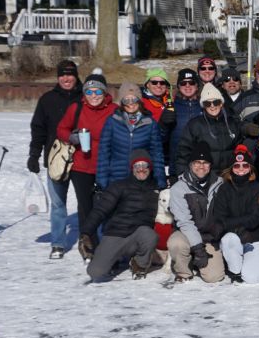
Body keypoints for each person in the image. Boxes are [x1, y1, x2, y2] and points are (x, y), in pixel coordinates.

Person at [28, 59, 83, 258]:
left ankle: (88, 241)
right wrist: (34, 155)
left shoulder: (86, 97)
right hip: (56, 160)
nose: (66, 78)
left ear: (76, 76)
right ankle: (58, 243)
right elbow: (38, 130)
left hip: (81, 159)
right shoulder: (47, 99)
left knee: (86, 203)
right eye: (62, 75)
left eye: (70, 74)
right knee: (58, 203)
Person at [56, 73, 117, 253]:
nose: (93, 95)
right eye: (89, 91)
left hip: (106, 166)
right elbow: (61, 129)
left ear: (104, 92)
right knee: (85, 207)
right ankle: (89, 243)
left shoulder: (114, 110)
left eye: (98, 90)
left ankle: (110, 244)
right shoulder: (76, 108)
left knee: (109, 205)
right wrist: (71, 137)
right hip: (81, 166)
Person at [80, 149, 161, 281]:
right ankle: (114, 257)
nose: (141, 169)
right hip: (116, 233)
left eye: (144, 165)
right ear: (132, 168)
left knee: (150, 235)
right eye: (137, 166)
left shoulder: (156, 188)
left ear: (150, 168)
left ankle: (138, 263)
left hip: (139, 235)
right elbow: (100, 210)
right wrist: (86, 232)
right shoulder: (119, 186)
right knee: (95, 272)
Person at [167, 142, 226, 284]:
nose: (201, 166)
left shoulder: (220, 184)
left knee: (214, 277)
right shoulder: (179, 188)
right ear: (190, 164)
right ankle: (184, 271)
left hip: (209, 237)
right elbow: (184, 222)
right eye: (197, 162)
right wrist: (198, 248)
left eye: (205, 162)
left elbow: (223, 215)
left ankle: (195, 260)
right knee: (176, 243)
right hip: (186, 233)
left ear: (210, 165)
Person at [212, 145, 259, 284]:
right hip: (234, 237)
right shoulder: (224, 189)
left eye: (245, 165)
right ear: (231, 169)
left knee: (251, 279)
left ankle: (248, 263)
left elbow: (255, 219)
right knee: (228, 239)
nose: (241, 169)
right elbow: (220, 219)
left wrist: (232, 223)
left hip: (254, 238)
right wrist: (237, 228)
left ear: (251, 168)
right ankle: (235, 269)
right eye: (237, 166)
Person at [96, 81, 167, 190]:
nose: (131, 103)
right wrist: (102, 181)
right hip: (116, 178)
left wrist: (160, 180)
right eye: (126, 100)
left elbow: (157, 154)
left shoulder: (150, 123)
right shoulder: (112, 121)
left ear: (139, 101)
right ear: (121, 102)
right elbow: (104, 153)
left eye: (134, 99)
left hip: (142, 178)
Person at [175, 82, 240, 175]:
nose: (212, 106)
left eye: (216, 102)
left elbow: (240, 148)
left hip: (229, 175)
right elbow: (183, 152)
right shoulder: (195, 124)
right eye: (207, 103)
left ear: (221, 103)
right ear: (204, 106)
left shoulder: (232, 123)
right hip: (206, 176)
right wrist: (182, 174)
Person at [167, 68, 203, 177]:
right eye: (183, 83)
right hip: (178, 166)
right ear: (178, 87)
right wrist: (163, 125)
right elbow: (161, 137)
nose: (187, 86)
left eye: (191, 82)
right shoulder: (171, 108)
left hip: (202, 166)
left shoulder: (205, 107)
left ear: (197, 86)